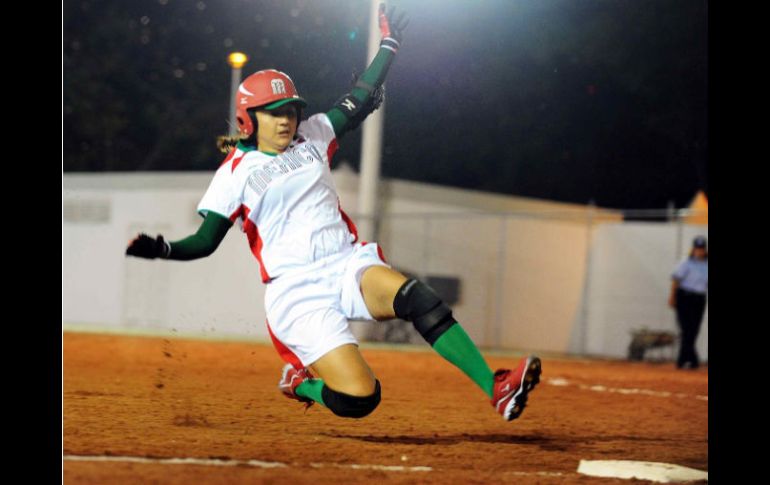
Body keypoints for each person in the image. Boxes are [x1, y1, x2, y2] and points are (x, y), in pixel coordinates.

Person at [126, 4, 541, 421]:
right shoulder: (234, 174)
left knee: (419, 299)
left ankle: (497, 387)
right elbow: (205, 240)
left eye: (290, 110)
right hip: (296, 292)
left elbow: (360, 96)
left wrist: (390, 46)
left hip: (346, 264)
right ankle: (299, 382)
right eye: (274, 112)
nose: (286, 119)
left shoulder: (315, 133)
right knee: (362, 399)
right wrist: (162, 249)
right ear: (248, 119)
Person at [668, 235, 708, 369]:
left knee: (694, 330)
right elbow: (676, 280)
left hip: (699, 299)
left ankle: (684, 360)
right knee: (686, 329)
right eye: (697, 248)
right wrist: (672, 297)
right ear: (693, 249)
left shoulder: (706, 264)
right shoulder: (686, 262)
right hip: (684, 297)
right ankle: (691, 361)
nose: (699, 251)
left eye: (701, 249)